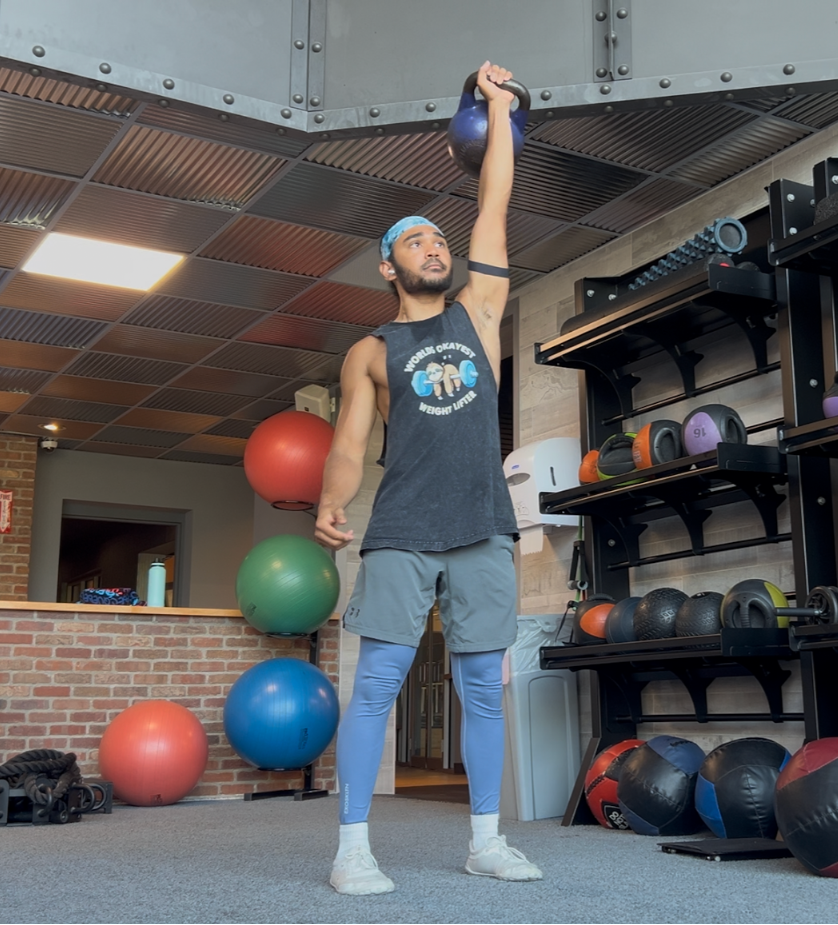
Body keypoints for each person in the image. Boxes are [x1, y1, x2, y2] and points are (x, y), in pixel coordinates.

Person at [314, 61, 541, 896]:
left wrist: (499, 108)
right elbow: (350, 443)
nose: (436, 246)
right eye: (416, 240)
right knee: (377, 684)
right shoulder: (371, 352)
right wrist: (331, 499)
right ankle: (351, 848)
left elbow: (494, 204)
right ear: (387, 265)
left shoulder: (479, 313)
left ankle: (486, 839)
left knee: (482, 685)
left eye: (439, 239)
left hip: (483, 522)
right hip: (404, 527)